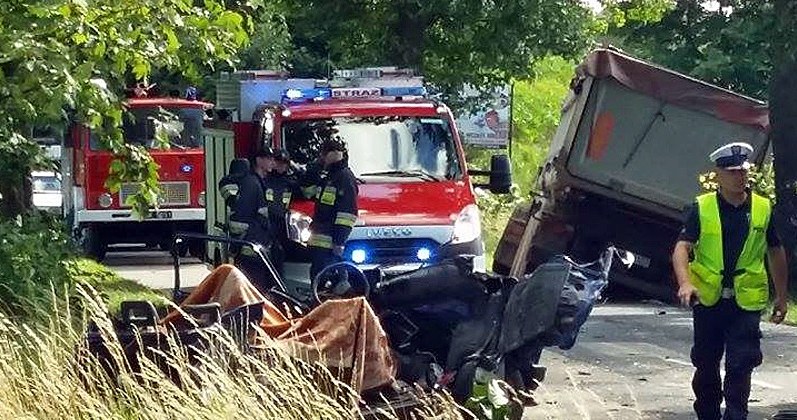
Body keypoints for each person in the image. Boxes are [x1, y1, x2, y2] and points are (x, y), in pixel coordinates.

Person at [671, 141, 789, 420]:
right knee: (706, 363)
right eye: (733, 172)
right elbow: (681, 248)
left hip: (745, 301)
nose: (740, 177)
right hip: (708, 299)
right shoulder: (702, 207)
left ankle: (736, 415)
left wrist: (781, 297)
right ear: (719, 175)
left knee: (741, 363)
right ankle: (708, 414)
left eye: (743, 171)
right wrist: (685, 283)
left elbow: (776, 251)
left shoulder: (762, 208)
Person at [306, 137, 359, 281]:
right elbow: (308, 193)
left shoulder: (344, 177)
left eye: (323, 155)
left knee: (332, 285)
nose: (322, 158)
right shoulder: (330, 176)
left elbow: (347, 215)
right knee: (319, 281)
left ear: (333, 154)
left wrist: (339, 241)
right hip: (321, 245)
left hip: (331, 246)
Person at [230, 148, 274, 291]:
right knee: (252, 289)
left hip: (257, 247)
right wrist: (239, 243)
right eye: (269, 158)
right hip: (249, 250)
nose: (272, 162)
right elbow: (240, 219)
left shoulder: (259, 182)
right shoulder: (251, 184)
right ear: (258, 160)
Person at [262, 148, 295, 277]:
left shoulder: (289, 183)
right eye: (278, 161)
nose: (281, 165)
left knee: (278, 258)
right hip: (265, 227)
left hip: (282, 229)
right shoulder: (263, 180)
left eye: (284, 163)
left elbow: (307, 190)